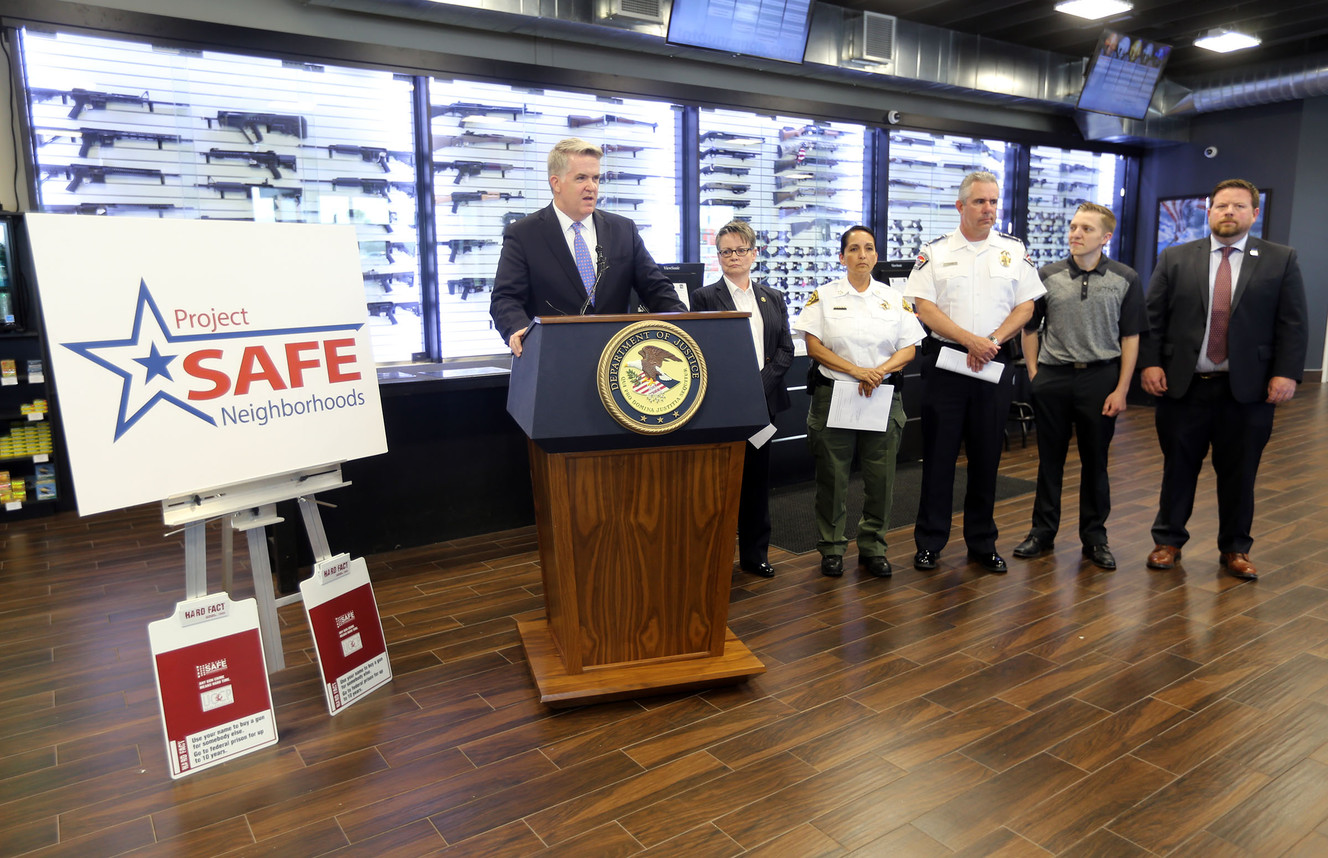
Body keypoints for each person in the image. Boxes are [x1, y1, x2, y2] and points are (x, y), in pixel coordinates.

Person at [1140, 178, 1307, 581]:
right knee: (1178, 468)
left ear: (1254, 213)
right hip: (1184, 386)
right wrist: (1150, 363)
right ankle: (1168, 542)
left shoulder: (1279, 259)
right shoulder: (1176, 257)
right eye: (1221, 206)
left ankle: (1235, 549)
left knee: (1240, 472)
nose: (1229, 212)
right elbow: (1152, 319)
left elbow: (1293, 323)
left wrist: (1286, 373)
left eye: (1238, 206)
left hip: (1247, 391)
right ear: (1208, 211)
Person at [904, 171, 1046, 574]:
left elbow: (1026, 307)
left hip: (993, 362)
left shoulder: (1013, 251)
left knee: (987, 458)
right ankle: (930, 542)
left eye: (994, 202)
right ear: (961, 206)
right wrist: (970, 340)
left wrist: (992, 340)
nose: (989, 209)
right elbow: (924, 308)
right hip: (948, 364)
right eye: (981, 202)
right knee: (939, 458)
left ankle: (982, 542)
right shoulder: (935, 251)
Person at [1013, 202, 1145, 570]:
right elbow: (1029, 328)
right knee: (1048, 461)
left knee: (1095, 462)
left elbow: (1131, 337)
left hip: (1101, 377)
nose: (1075, 233)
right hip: (1054, 376)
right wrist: (1036, 375)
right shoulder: (1048, 275)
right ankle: (1042, 532)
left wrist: (1121, 390)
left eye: (1086, 228)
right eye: (1073, 227)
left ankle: (1095, 537)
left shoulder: (1126, 278)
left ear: (1105, 237)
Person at [791, 226, 924, 578]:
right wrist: (857, 370)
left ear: (876, 255)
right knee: (832, 478)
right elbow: (814, 346)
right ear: (842, 257)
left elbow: (909, 348)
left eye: (868, 248)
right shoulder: (823, 296)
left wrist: (877, 372)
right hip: (835, 394)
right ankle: (832, 548)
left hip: (880, 395)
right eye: (853, 249)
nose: (861, 255)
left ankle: (873, 546)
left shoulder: (895, 298)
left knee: (881, 478)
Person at [489, 137, 686, 356]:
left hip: (616, 360)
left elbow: (656, 289)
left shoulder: (623, 230)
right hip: (552, 357)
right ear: (556, 183)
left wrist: (688, 328)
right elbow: (505, 298)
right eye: (581, 178)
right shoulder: (524, 234)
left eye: (596, 178)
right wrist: (519, 329)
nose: (591, 186)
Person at [691, 221, 794, 578]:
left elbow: (785, 350)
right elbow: (701, 351)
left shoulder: (773, 297)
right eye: (725, 251)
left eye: (740, 250)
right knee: (718, 485)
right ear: (717, 256)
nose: (733, 257)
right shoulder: (703, 298)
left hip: (763, 404)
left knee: (756, 483)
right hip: (722, 406)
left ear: (754, 253)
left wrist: (758, 386)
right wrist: (741, 388)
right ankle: (716, 556)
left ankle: (755, 554)